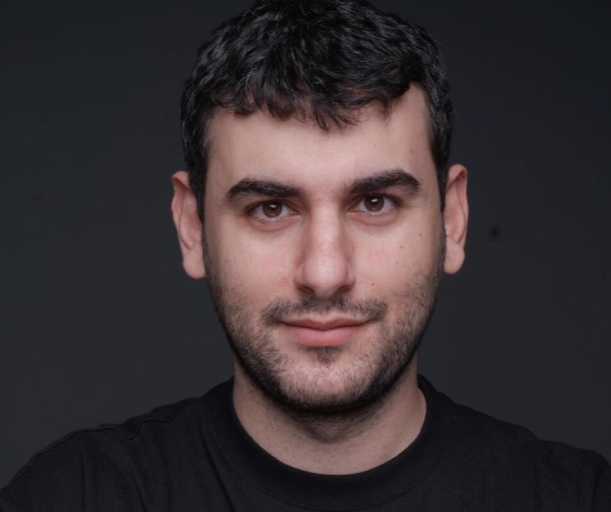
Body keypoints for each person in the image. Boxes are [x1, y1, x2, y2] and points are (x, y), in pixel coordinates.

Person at [1, 0, 609, 510]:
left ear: (452, 219)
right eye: (271, 208)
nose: (324, 272)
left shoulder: (575, 499)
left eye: (375, 203)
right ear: (191, 226)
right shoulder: (79, 496)